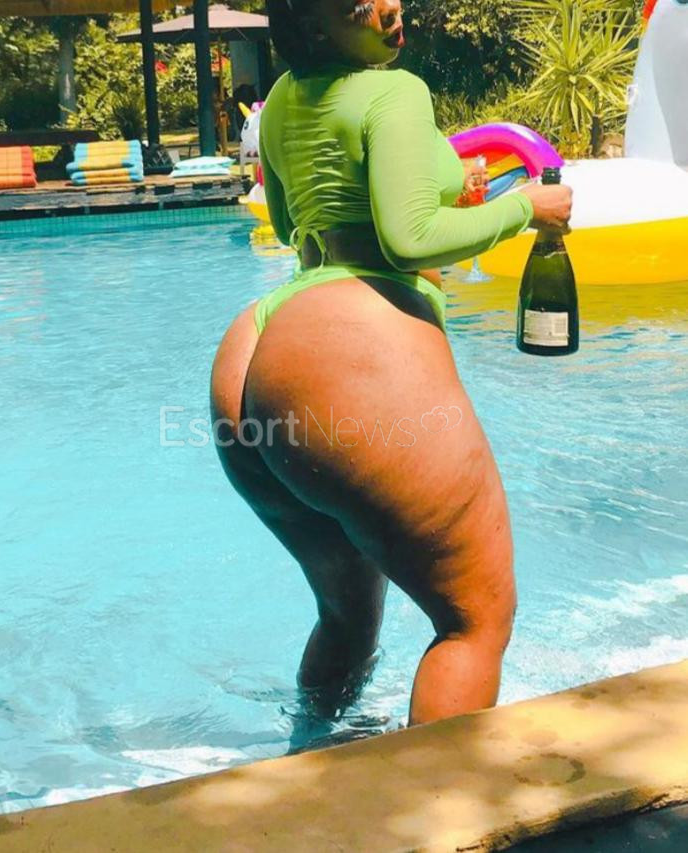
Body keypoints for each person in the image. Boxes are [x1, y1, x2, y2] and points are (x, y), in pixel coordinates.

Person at [210, 0, 572, 727]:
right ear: (317, 25)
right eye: (359, 4)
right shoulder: (395, 91)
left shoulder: (282, 99)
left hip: (255, 355)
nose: (388, 8)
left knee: (347, 618)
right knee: (474, 619)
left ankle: (311, 765)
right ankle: (436, 799)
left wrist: (445, 183)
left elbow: (293, 225)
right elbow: (410, 240)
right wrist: (528, 208)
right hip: (350, 351)